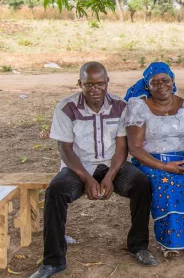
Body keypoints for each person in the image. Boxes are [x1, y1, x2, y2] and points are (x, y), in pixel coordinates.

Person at [31, 62, 157, 278]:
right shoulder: (66, 107)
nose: (94, 89)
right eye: (89, 84)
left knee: (141, 183)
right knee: (55, 191)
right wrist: (87, 178)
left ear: (107, 82)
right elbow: (66, 150)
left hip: (112, 164)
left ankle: (138, 247)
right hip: (78, 166)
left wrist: (109, 176)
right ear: (80, 83)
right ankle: (53, 261)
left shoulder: (120, 105)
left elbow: (121, 147)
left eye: (100, 83)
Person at [123, 62, 184, 258]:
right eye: (155, 82)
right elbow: (135, 148)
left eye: (166, 80)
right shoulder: (139, 106)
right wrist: (164, 166)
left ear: (173, 82)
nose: (161, 84)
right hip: (151, 161)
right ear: (148, 86)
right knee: (167, 186)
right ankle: (171, 243)